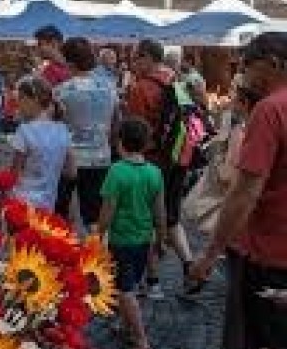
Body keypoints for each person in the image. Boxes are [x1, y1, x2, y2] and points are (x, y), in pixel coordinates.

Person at [191, 32, 287, 349]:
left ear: (272, 64)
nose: (243, 75)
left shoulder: (270, 110)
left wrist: (209, 254)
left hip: (270, 257)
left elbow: (244, 193)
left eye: (248, 66)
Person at [126, 39, 195, 298]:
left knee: (148, 217)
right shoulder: (175, 81)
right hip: (178, 158)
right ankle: (189, 265)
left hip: (152, 161)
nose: (132, 63)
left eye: (135, 58)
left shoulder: (141, 88)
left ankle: (152, 281)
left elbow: (135, 131)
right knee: (171, 215)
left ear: (147, 58)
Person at [98, 117, 166, 349]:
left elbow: (107, 211)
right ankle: (125, 326)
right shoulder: (155, 173)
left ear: (120, 143)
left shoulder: (116, 172)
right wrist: (162, 238)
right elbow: (160, 211)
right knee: (131, 283)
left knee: (125, 289)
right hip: (144, 240)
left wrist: (99, 233)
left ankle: (140, 338)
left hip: (121, 240)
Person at [56, 38, 119, 229]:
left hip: (68, 160)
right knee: (93, 215)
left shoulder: (61, 91)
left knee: (61, 212)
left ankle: (62, 252)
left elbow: (55, 126)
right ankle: (95, 253)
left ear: (70, 63)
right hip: (100, 157)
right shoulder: (110, 88)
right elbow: (116, 121)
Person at [10, 76, 76, 210]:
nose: (18, 103)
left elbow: (14, 174)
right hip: (48, 201)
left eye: (21, 98)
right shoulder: (63, 130)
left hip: (22, 199)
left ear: (33, 100)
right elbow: (71, 172)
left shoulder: (25, 130)